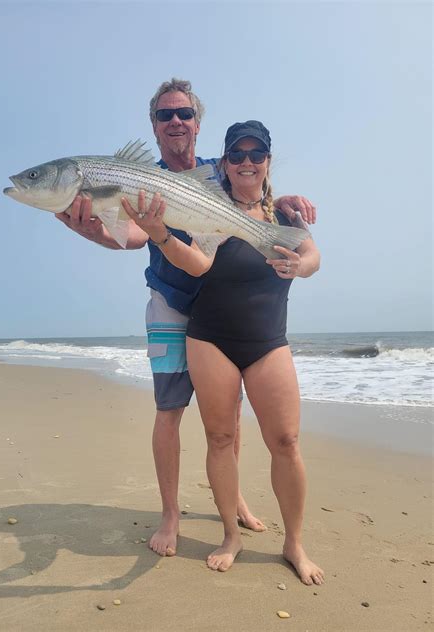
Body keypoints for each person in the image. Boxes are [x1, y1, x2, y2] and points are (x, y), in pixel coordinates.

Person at [55, 79, 318, 559]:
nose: (175, 122)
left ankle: (232, 496)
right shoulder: (143, 176)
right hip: (174, 301)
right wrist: (92, 230)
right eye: (164, 116)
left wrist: (287, 203)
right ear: (153, 127)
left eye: (183, 114)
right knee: (170, 409)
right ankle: (171, 514)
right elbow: (133, 237)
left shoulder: (219, 169)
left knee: (228, 417)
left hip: (225, 308)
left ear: (198, 123)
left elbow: (256, 185)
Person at [121, 119, 324, 585]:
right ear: (225, 164)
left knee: (287, 442)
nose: (247, 163)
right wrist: (160, 234)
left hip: (267, 341)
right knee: (220, 439)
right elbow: (197, 261)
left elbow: (312, 255)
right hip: (210, 336)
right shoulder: (209, 208)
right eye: (237, 155)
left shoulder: (284, 215)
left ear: (268, 161)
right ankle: (230, 535)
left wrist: (303, 266)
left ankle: (294, 543)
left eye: (256, 155)